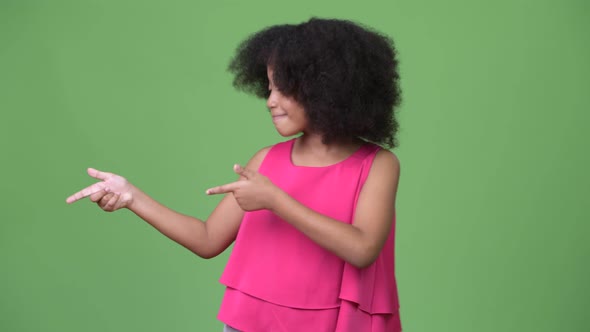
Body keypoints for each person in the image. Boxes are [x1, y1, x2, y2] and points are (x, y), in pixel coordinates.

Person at [66, 18, 402, 332]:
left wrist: (275, 200)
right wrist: (132, 196)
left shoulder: (377, 165)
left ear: (327, 87)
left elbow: (362, 249)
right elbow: (208, 238)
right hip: (250, 321)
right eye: (268, 88)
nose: (270, 101)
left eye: (282, 89)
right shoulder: (265, 161)